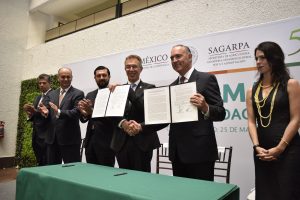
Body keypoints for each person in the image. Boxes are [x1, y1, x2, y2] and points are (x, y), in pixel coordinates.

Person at [246, 41, 300, 200]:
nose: (258, 62)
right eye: (256, 58)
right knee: (265, 193)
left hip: (288, 151)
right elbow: (250, 122)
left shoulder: (291, 84)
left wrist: (280, 148)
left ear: (274, 58)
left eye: (262, 58)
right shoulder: (252, 90)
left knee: (287, 193)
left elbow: (296, 119)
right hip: (261, 152)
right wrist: (256, 146)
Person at [167, 44, 225, 180]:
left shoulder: (206, 79)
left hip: (200, 153)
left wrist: (206, 107)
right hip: (177, 154)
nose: (174, 60)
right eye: (172, 58)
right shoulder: (171, 87)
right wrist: (141, 126)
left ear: (190, 56)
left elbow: (221, 113)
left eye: (178, 56)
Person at [110, 54, 160, 172]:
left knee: (142, 179)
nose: (131, 69)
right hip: (121, 142)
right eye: (128, 67)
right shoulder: (116, 90)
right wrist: (123, 123)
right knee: (124, 177)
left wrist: (128, 91)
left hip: (143, 142)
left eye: (134, 66)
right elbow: (112, 114)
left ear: (141, 69)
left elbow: (146, 110)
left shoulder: (151, 88)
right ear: (125, 69)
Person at [40, 67, 84, 164]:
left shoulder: (78, 93)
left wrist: (59, 112)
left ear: (72, 77)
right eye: (63, 77)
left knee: (72, 170)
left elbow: (76, 112)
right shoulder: (51, 94)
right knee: (53, 171)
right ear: (58, 78)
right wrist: (45, 112)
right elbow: (46, 109)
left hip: (70, 140)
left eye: (68, 77)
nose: (66, 79)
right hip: (52, 139)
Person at [78, 66, 115, 167]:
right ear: (95, 78)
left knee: (106, 175)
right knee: (91, 173)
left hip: (107, 141)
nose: (101, 77)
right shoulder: (90, 94)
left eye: (104, 75)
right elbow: (83, 119)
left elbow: (114, 118)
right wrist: (84, 114)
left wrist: (91, 112)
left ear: (109, 76)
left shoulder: (114, 93)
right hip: (90, 141)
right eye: (98, 75)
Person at [23, 74, 52, 166]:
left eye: (44, 83)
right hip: (36, 135)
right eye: (39, 83)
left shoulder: (53, 96)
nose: (41, 85)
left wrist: (34, 111)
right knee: (39, 161)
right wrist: (30, 114)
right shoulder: (37, 98)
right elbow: (36, 115)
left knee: (47, 161)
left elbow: (49, 114)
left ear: (50, 83)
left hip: (47, 134)